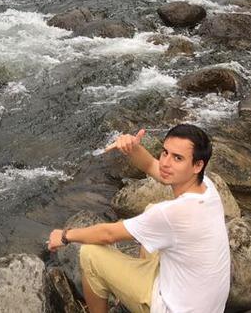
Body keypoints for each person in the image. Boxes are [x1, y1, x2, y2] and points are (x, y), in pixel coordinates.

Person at [47, 124, 231, 313]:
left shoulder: (172, 213)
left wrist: (64, 235)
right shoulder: (207, 188)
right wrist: (132, 148)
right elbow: (153, 166)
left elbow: (108, 234)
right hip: (206, 304)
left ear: (197, 165)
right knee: (151, 211)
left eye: (178, 158)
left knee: (90, 254)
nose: (166, 162)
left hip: (173, 307)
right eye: (165, 152)